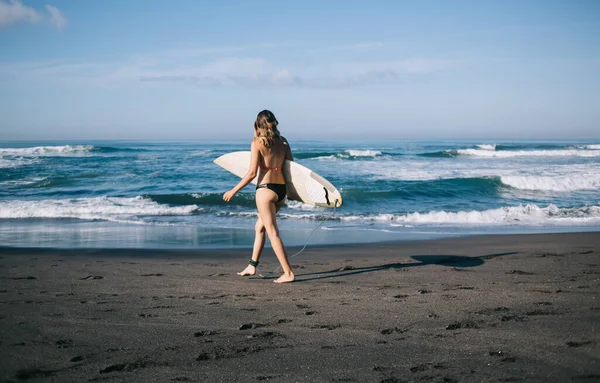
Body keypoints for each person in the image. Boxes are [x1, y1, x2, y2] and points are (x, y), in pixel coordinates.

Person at [222, 110, 295, 283]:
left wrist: (233, 190)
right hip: (280, 191)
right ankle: (252, 265)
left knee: (272, 232)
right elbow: (291, 169)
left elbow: (252, 173)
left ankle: (288, 273)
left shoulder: (257, 143)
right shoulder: (284, 142)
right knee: (259, 227)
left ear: (258, 125)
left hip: (265, 191)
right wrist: (291, 193)